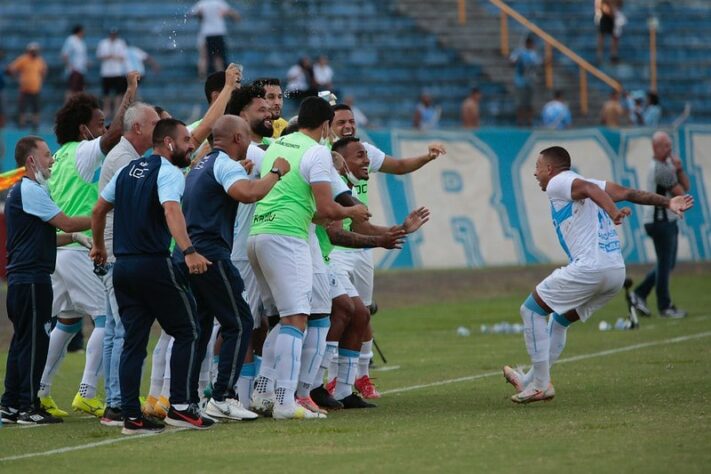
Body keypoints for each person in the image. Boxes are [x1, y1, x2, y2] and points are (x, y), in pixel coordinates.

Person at [503, 146, 693, 403]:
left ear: (549, 169)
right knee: (559, 321)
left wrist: (613, 213)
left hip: (591, 267)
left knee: (531, 310)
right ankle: (528, 380)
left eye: (537, 168)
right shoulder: (586, 182)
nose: (535, 174)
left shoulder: (559, 182)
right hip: (614, 271)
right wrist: (667, 201)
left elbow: (593, 192)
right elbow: (627, 192)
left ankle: (539, 384)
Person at [247, 97, 369, 420]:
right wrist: (352, 210)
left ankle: (263, 391)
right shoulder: (316, 152)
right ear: (326, 125)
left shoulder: (278, 144)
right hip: (287, 238)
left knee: (281, 319)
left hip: (258, 235)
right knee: (297, 319)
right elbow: (327, 210)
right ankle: (288, 400)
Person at [91, 118, 215, 434]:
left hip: (123, 268)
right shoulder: (169, 173)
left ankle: (131, 416)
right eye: (187, 139)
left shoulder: (125, 171)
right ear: (169, 143)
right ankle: (182, 408)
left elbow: (98, 210)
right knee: (188, 329)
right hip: (153, 264)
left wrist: (98, 247)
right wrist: (189, 252)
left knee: (133, 341)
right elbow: (171, 210)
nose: (192, 145)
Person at [321, 104, 446, 401]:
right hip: (332, 247)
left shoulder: (357, 152)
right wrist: (384, 237)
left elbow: (400, 166)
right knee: (339, 312)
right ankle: (317, 382)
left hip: (359, 239)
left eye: (352, 120)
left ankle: (352, 380)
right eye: (342, 121)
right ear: (328, 125)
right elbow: (336, 230)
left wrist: (397, 230)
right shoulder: (324, 160)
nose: (350, 125)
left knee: (361, 313)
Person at [38, 72, 139, 419]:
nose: (105, 125)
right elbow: (112, 138)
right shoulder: (83, 153)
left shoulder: (59, 158)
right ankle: (86, 392)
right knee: (106, 319)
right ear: (83, 129)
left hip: (59, 251)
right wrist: (128, 95)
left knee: (66, 323)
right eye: (99, 121)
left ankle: (41, 391)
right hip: (82, 248)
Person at [182, 115, 289, 421]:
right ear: (239, 139)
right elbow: (251, 194)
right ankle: (222, 396)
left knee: (201, 326)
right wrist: (276, 171)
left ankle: (189, 397)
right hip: (212, 252)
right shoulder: (225, 163)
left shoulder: (201, 163)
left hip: (192, 251)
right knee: (240, 321)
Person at [0, 136, 91, 425]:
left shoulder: (22, 191)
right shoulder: (31, 190)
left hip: (22, 278)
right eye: (47, 154)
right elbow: (64, 222)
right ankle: (28, 406)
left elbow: (47, 236)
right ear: (31, 161)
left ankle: (11, 404)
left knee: (23, 342)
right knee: (35, 342)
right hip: (31, 279)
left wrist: (75, 237)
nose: (52, 160)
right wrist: (102, 213)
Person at [96, 102, 161, 427]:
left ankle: (114, 402)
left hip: (112, 249)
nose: (158, 128)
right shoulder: (125, 160)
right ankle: (120, 402)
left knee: (113, 329)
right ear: (137, 128)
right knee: (124, 328)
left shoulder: (127, 156)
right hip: (119, 250)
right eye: (154, 123)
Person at [630, 131, 691, 318]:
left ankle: (639, 294)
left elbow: (684, 187)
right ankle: (664, 306)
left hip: (661, 221)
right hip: (660, 222)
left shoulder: (663, 166)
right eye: (666, 145)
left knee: (667, 264)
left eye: (670, 145)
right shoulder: (662, 169)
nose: (670, 149)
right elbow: (681, 191)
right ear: (655, 147)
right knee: (665, 264)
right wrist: (678, 170)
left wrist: (679, 169)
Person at [190, 0, 240, 75]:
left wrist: (201, 16)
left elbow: (194, 13)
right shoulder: (219, 2)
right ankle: (220, 78)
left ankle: (202, 76)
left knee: (204, 57)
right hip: (218, 32)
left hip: (207, 33)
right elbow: (231, 13)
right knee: (218, 58)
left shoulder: (202, 3)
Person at [5, 43, 47, 131]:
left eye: (35, 51)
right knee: (22, 108)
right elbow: (11, 68)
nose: (34, 52)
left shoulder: (39, 60)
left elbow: (44, 71)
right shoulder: (23, 59)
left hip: (36, 89)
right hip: (24, 89)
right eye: (33, 51)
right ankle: (22, 125)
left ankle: (35, 126)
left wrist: (39, 80)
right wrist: (16, 77)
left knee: (36, 108)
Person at [510, 36, 541, 126]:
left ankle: (529, 121)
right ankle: (520, 121)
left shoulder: (533, 54)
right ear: (528, 44)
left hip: (530, 81)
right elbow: (511, 62)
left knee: (529, 103)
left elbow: (537, 65)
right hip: (520, 81)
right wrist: (516, 60)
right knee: (520, 103)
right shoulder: (519, 52)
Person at [97, 29, 128, 117]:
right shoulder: (103, 43)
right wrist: (110, 56)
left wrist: (112, 56)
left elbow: (123, 57)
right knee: (106, 93)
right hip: (106, 72)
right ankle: (107, 110)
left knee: (118, 93)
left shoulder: (121, 43)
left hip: (117, 72)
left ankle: (116, 110)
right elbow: (99, 56)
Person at [61, 25, 89, 100]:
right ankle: (67, 107)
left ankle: (75, 108)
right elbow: (64, 54)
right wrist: (70, 66)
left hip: (81, 69)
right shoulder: (71, 40)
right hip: (74, 69)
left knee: (79, 91)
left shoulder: (81, 41)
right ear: (79, 31)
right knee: (71, 90)